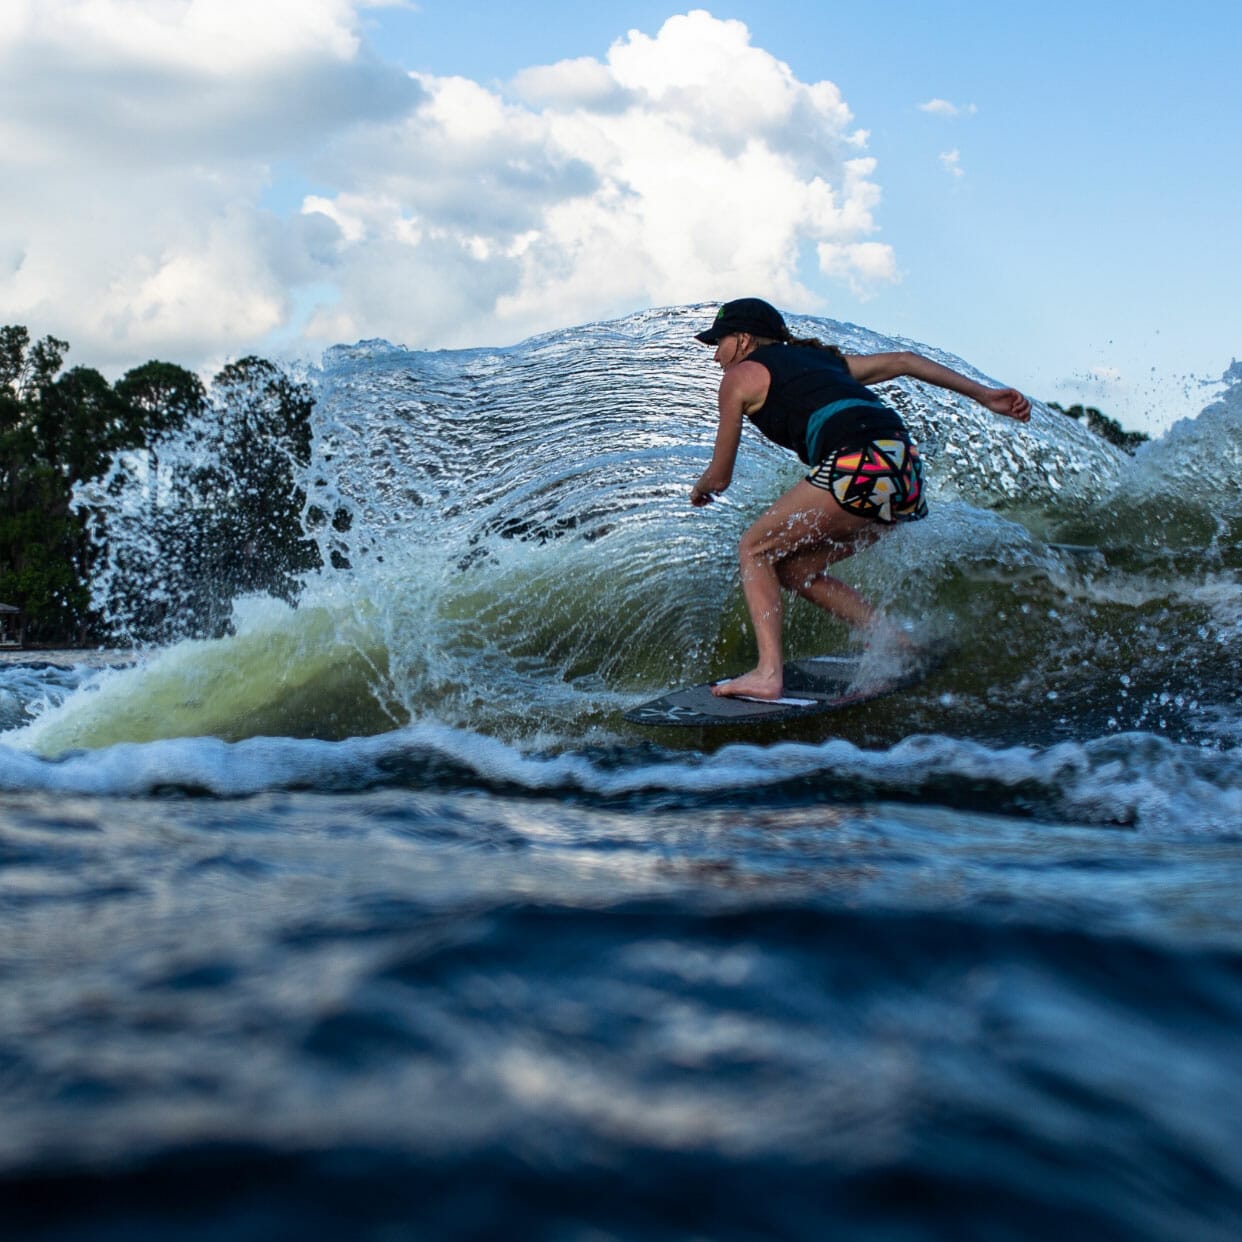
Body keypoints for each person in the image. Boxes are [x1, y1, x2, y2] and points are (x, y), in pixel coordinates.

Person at [690, 297, 1031, 701]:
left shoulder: (739, 378)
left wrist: (701, 488)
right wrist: (985, 395)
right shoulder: (826, 362)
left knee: (754, 549)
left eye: (720, 342)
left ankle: (767, 674)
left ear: (744, 339)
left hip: (860, 464)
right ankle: (895, 641)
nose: (716, 356)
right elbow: (904, 360)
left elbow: (720, 475)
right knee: (795, 570)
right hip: (905, 471)